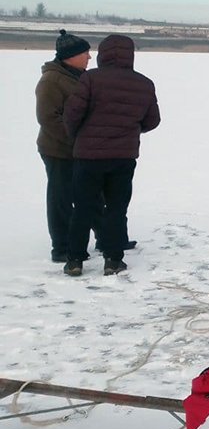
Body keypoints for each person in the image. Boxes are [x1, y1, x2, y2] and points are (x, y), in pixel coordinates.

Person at [62, 34, 160, 276]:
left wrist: (79, 136)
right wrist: (130, 129)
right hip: (123, 157)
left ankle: (75, 260)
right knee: (117, 208)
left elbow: (72, 114)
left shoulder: (89, 79)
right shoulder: (144, 84)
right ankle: (113, 259)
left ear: (102, 54)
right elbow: (152, 120)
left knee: (83, 207)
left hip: (88, 156)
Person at [35, 30, 91, 262]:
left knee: (89, 195)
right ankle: (61, 247)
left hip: (80, 150)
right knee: (60, 198)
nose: (89, 57)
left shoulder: (79, 76)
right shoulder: (51, 80)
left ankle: (99, 238)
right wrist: (75, 140)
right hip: (58, 150)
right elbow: (48, 118)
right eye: (85, 53)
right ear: (71, 56)